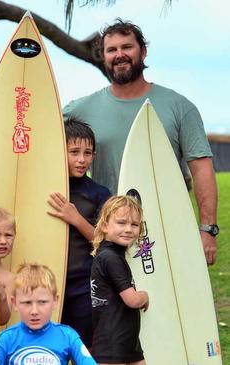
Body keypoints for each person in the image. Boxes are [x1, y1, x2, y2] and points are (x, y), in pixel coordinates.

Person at [63, 18, 218, 265]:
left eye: (127, 47)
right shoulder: (80, 109)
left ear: (143, 51)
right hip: (106, 235)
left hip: (168, 232)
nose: (119, 54)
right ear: (103, 57)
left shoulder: (179, 107)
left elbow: (202, 169)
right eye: (111, 50)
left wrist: (207, 229)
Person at [46, 117, 111, 347]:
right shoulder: (43, 186)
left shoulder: (99, 194)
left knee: (83, 349)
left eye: (88, 153)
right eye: (74, 152)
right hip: (48, 284)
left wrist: (76, 218)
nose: (82, 159)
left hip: (84, 286)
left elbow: (106, 243)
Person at [0, 263, 96, 365]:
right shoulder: (6, 339)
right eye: (27, 303)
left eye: (42, 302)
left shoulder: (68, 336)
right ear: (14, 303)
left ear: (55, 301)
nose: (34, 311)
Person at [90, 195, 149, 365]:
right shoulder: (111, 258)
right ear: (104, 226)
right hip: (112, 342)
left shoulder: (106, 254)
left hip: (126, 339)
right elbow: (132, 300)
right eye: (121, 223)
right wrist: (144, 296)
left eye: (134, 224)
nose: (129, 229)